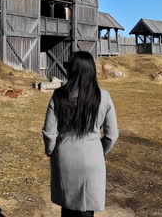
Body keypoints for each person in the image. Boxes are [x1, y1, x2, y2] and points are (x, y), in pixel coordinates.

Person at [42, 51, 119, 217]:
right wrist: (100, 151)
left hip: (64, 157)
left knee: (67, 205)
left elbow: (49, 132)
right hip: (93, 158)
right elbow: (112, 135)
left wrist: (51, 152)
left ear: (71, 70)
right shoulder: (104, 97)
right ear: (91, 71)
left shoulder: (59, 95)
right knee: (87, 207)